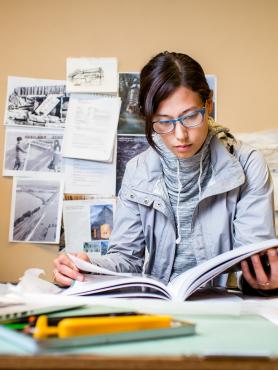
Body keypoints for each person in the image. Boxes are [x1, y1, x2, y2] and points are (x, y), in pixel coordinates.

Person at [53, 51, 278, 294]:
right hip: (159, 305)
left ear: (208, 106)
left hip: (227, 307)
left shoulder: (247, 164)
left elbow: (255, 261)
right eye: (164, 121)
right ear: (149, 120)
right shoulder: (137, 170)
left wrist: (264, 283)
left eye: (190, 116)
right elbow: (127, 260)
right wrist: (87, 265)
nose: (180, 135)